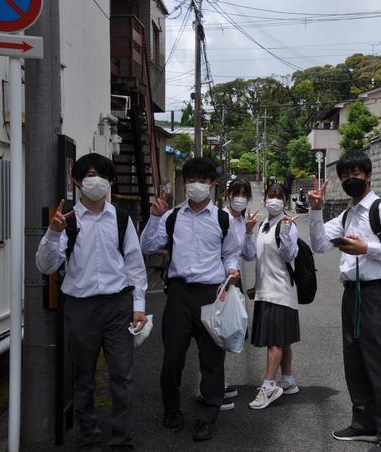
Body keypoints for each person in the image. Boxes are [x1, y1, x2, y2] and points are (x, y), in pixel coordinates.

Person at [35, 153, 147, 452]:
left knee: (122, 377)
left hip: (118, 306)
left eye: (102, 175)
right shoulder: (66, 221)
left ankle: (122, 441)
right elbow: (45, 266)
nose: (95, 181)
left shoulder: (122, 219)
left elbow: (135, 266)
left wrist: (138, 306)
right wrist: (53, 232)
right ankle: (89, 440)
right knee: (83, 377)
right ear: (76, 181)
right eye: (89, 175)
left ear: (110, 181)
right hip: (80, 307)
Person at [308, 150, 381, 452]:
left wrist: (367, 248)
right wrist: (316, 211)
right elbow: (318, 244)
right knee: (354, 361)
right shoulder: (346, 214)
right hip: (350, 293)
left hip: (376, 292)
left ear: (368, 176)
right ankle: (365, 423)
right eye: (344, 176)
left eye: (355, 174)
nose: (349, 180)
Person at [139, 157, 241, 443]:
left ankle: (207, 417)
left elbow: (230, 253)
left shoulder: (222, 219)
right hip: (179, 293)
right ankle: (171, 410)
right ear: (185, 183)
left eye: (202, 180)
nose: (196, 185)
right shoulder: (171, 217)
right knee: (172, 356)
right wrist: (155, 217)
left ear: (212, 185)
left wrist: (233, 269)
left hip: (212, 294)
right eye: (191, 179)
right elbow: (147, 246)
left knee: (212, 359)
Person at [246, 183, 301, 410]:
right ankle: (287, 381)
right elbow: (252, 257)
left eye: (279, 197)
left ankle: (268, 386)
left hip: (279, 291)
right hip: (265, 290)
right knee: (283, 338)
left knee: (274, 340)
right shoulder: (263, 225)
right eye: (271, 196)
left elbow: (289, 255)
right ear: (265, 199)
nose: (274, 200)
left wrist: (287, 231)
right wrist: (249, 231)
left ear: (286, 201)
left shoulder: (287, 225)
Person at [217, 177, 257, 410]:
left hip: (235, 280)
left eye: (244, 194)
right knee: (215, 332)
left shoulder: (243, 222)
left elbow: (249, 256)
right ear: (228, 194)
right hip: (218, 281)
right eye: (236, 193)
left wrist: (250, 233)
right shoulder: (218, 218)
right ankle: (212, 386)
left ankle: (218, 381)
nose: (240, 198)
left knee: (229, 331)